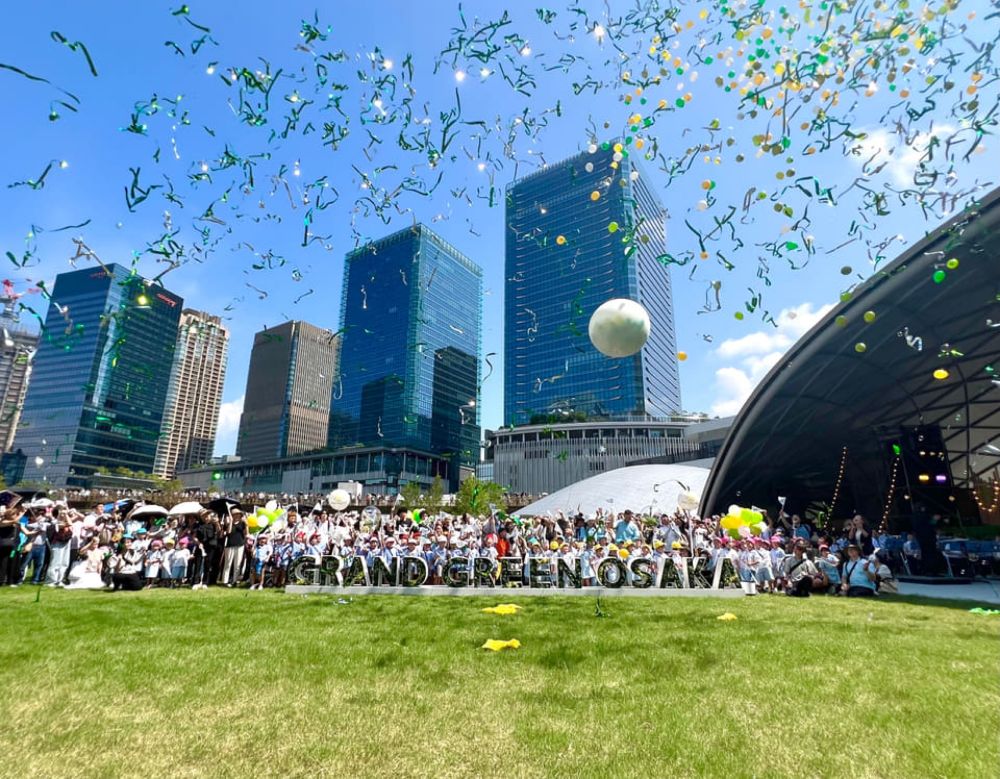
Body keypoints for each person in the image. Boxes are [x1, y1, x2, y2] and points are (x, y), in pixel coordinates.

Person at [220, 509, 248, 587]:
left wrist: (246, 524)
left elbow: (246, 534)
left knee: (237, 564)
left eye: (238, 514)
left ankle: (235, 580)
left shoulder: (242, 524)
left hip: (240, 544)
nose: (237, 515)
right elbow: (229, 532)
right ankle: (225, 581)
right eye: (235, 514)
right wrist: (231, 522)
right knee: (228, 563)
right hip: (230, 544)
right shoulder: (229, 523)